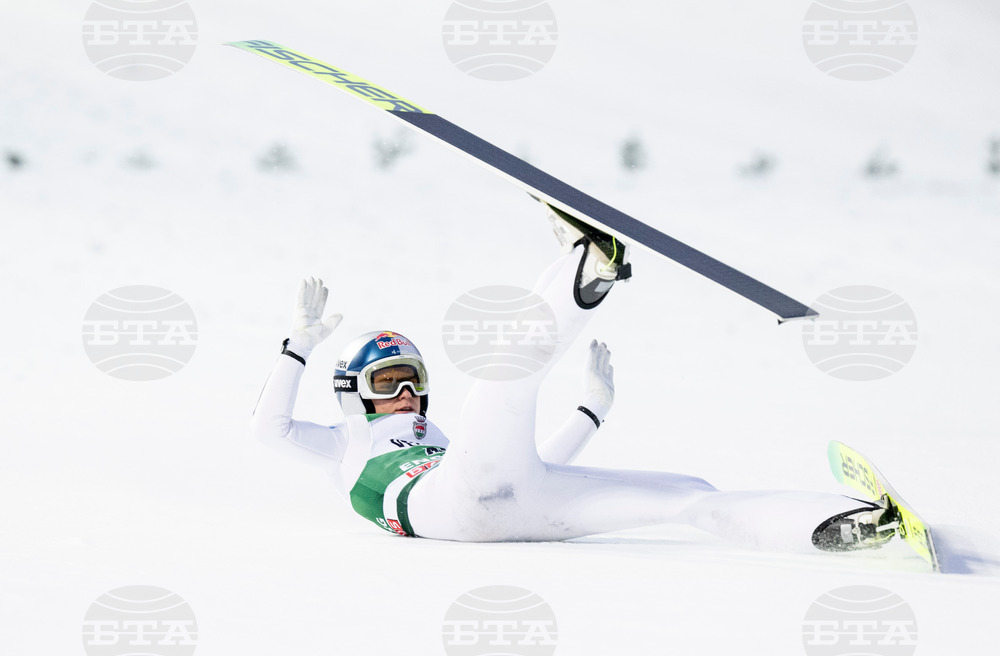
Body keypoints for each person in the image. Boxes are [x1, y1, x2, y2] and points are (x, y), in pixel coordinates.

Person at [251, 202, 897, 553]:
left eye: (411, 379)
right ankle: (582, 267)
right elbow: (268, 428)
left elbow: (520, 470)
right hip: (448, 505)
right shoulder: (339, 444)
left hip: (515, 511)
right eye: (388, 382)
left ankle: (852, 525)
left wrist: (589, 412)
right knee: (504, 377)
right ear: (353, 392)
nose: (405, 395)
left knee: (689, 494)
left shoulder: (439, 437)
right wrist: (296, 348)